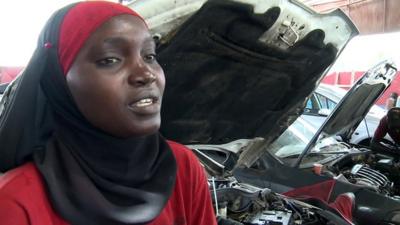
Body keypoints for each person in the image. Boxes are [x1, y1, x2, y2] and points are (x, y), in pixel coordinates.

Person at [0, 2, 217, 225]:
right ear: (58, 81)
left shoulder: (182, 168)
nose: (146, 74)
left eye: (149, 56)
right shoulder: (17, 204)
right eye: (110, 60)